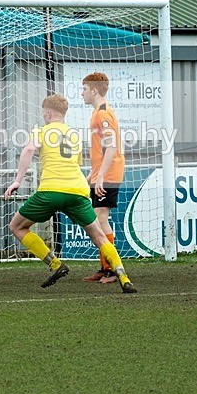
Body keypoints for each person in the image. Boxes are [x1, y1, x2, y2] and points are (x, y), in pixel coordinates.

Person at [3, 94, 136, 292]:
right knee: (99, 237)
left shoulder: (41, 131)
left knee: (17, 226)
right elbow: (76, 164)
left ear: (47, 113)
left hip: (50, 191)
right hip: (78, 191)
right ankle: (123, 276)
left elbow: (29, 149)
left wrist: (17, 180)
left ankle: (55, 264)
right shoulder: (74, 135)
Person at [80, 72, 125, 284]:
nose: (82, 94)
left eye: (84, 89)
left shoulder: (102, 114)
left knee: (100, 218)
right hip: (104, 173)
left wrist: (100, 177)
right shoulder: (100, 112)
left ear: (94, 90)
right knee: (97, 220)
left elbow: (112, 147)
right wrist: (94, 172)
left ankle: (112, 271)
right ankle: (105, 267)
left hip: (109, 175)